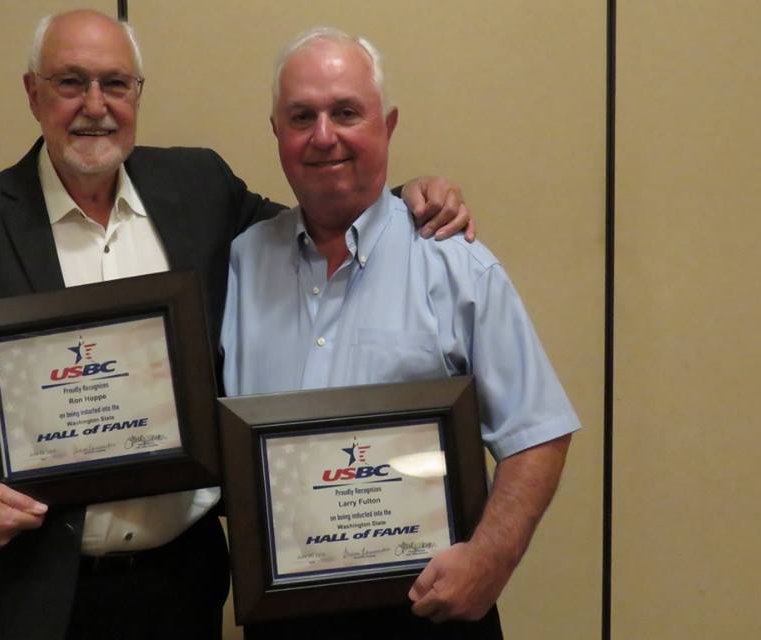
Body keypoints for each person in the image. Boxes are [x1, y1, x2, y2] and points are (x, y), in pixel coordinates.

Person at [0, 10, 475, 640]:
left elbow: (313, 226)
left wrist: (406, 198)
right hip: (31, 591)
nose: (96, 105)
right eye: (71, 83)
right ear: (32, 93)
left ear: (138, 94)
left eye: (116, 84)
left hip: (183, 582)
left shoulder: (197, 187)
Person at [221, 27, 581, 639]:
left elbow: (537, 434)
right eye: (302, 116)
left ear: (387, 126)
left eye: (346, 112)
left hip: (426, 614)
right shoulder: (239, 262)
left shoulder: (455, 264)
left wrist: (491, 560)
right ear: (277, 133)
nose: (325, 135)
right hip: (281, 613)